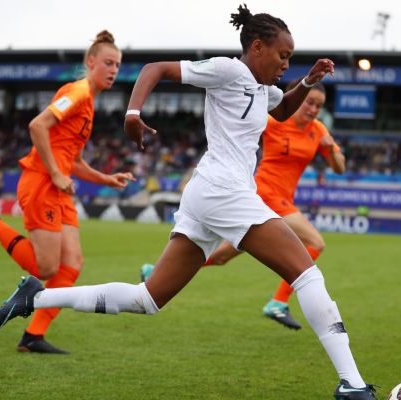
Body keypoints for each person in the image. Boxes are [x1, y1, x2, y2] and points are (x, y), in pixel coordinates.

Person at [0, 7, 375, 398]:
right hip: (225, 191)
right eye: (282, 55)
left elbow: (283, 109)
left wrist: (307, 81)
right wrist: (133, 113)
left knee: (147, 299)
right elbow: (156, 69)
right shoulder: (228, 70)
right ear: (256, 47)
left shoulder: (260, 87)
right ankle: (352, 383)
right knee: (307, 274)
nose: (286, 63)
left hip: (210, 193)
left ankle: (35, 297)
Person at [0, 31, 134, 354]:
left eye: (117, 64)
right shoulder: (77, 91)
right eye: (108, 62)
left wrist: (107, 179)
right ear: (91, 62)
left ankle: (33, 335)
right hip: (41, 182)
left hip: (58, 187)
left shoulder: (88, 104)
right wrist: (54, 173)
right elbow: (37, 125)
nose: (113, 69)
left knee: (72, 263)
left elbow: (73, 161)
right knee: (46, 268)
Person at [142, 79, 345, 331]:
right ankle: (277, 303)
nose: (313, 109)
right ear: (298, 98)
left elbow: (339, 167)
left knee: (221, 257)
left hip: (283, 199)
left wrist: (332, 151)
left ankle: (155, 270)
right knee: (315, 242)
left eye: (319, 105)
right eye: (309, 102)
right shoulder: (275, 121)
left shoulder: (319, 130)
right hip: (264, 193)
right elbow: (239, 134)